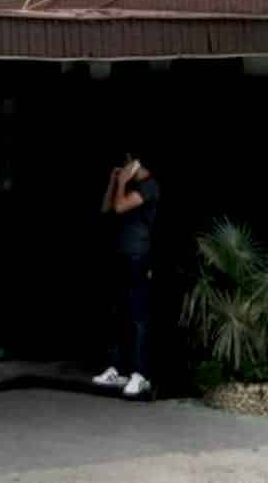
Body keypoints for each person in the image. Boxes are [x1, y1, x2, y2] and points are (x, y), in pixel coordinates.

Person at [93, 152, 158, 399]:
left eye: (128, 161)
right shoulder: (125, 185)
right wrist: (113, 181)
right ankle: (116, 369)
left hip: (138, 256)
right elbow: (106, 208)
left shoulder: (149, 185)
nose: (124, 165)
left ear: (138, 163)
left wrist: (121, 183)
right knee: (116, 313)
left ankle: (140, 375)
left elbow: (121, 207)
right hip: (119, 255)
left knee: (138, 317)